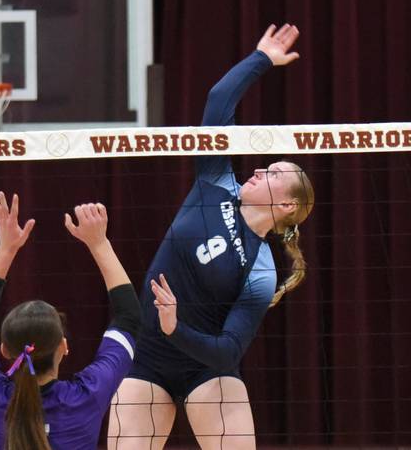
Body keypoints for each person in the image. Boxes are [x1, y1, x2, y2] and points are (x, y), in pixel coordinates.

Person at [108, 24, 315, 450]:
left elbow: (228, 351)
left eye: (273, 173)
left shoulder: (261, 270)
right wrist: (262, 59)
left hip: (208, 371)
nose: (258, 169)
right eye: (264, 166)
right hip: (149, 359)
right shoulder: (216, 182)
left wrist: (175, 327)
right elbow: (218, 101)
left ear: (288, 207)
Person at [0, 192, 142, 450]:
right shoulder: (85, 397)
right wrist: (99, 243)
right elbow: (129, 317)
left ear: (3, 350)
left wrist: (6, 249)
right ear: (64, 347)